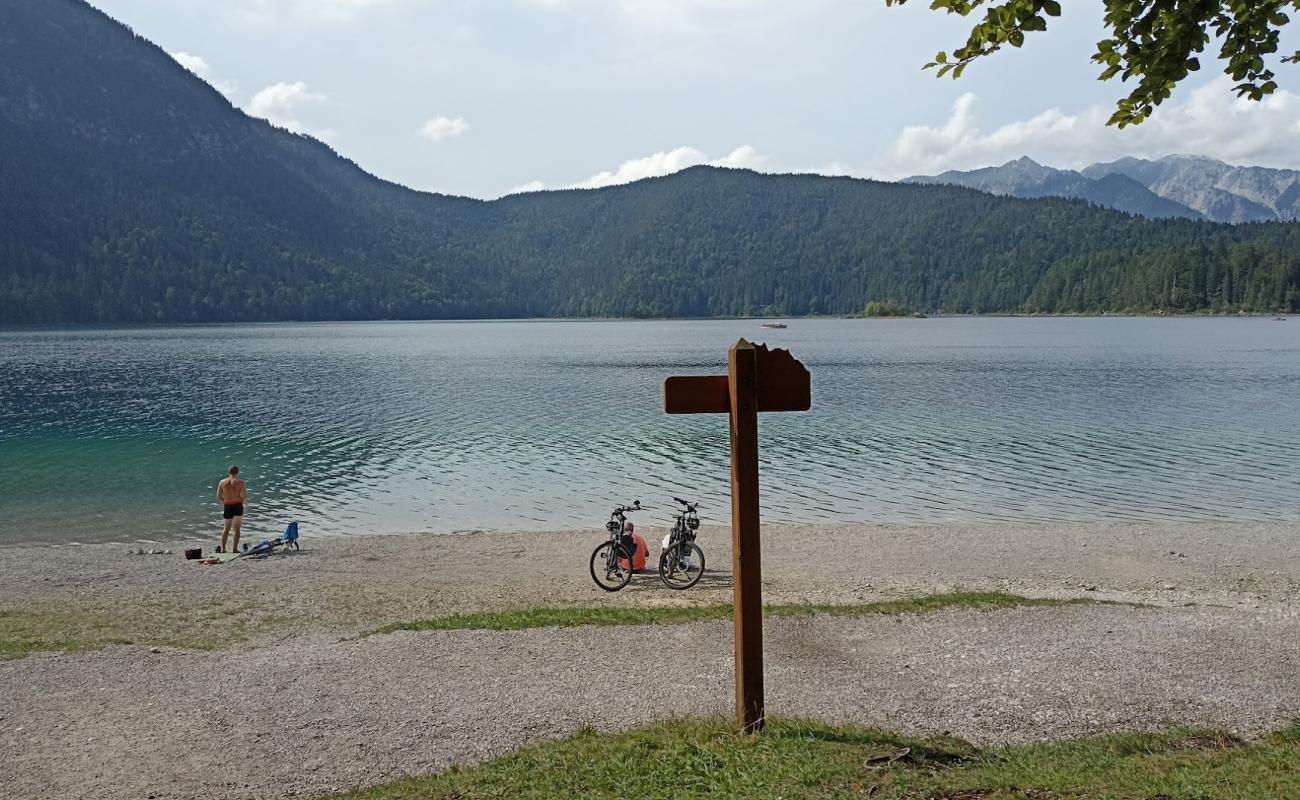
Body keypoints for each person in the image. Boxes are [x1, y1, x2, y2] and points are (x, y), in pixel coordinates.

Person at [216, 465, 247, 553]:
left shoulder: (222, 482)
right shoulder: (240, 482)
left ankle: (223, 549)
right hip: (237, 506)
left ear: (229, 472)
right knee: (236, 529)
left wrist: (225, 501)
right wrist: (243, 502)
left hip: (227, 506)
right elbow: (244, 496)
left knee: (226, 528)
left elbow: (218, 496)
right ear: (237, 472)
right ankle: (234, 549)